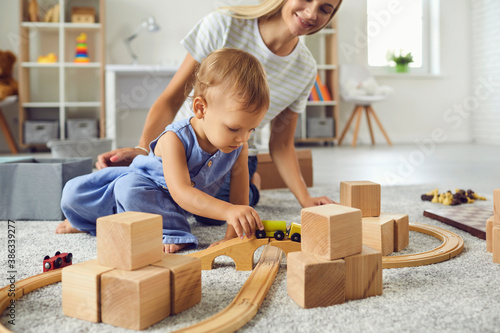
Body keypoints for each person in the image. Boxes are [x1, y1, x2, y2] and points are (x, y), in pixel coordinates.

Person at [96, 0, 342, 242]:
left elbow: (281, 144)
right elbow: (171, 100)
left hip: (232, 155)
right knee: (126, 187)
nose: (311, 13)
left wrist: (305, 199)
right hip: (180, 148)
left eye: (325, 9)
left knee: (216, 213)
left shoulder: (306, 68)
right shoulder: (223, 25)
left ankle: (251, 183)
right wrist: (143, 153)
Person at [56, 48, 270, 253]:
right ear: (200, 108)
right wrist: (227, 211)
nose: (243, 138)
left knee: (219, 213)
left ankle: (129, 222)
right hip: (149, 188)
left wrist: (232, 237)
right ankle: (97, 222)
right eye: (234, 128)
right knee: (80, 193)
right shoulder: (174, 138)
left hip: (183, 204)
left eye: (251, 129)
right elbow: (181, 192)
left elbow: (239, 197)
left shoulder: (239, 145)